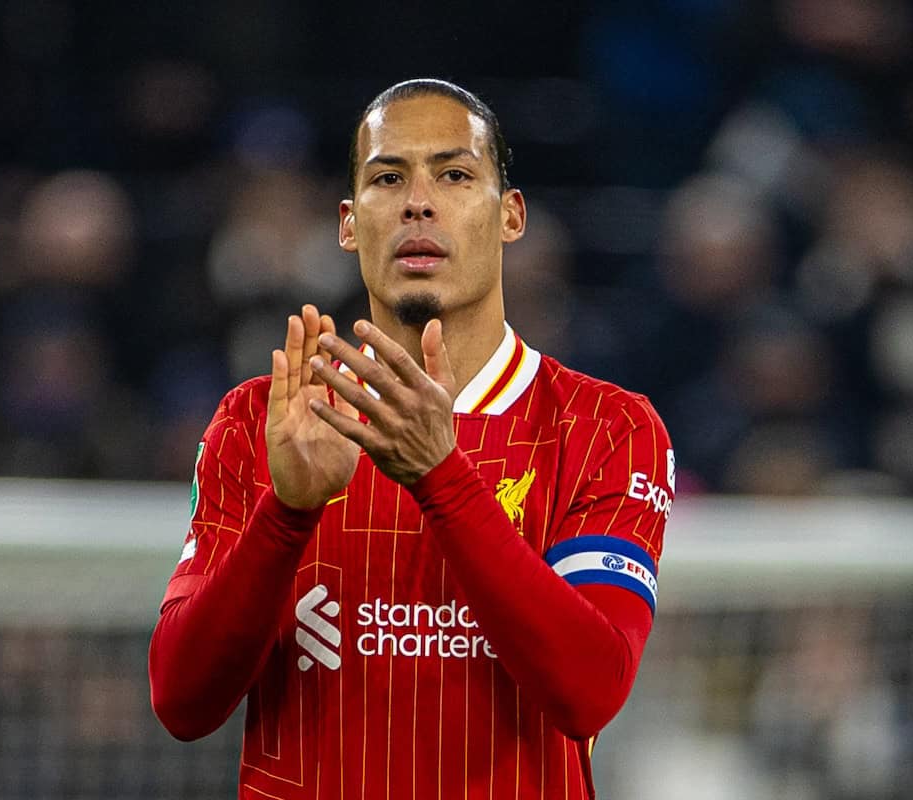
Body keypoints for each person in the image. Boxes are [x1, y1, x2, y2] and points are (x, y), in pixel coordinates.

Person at [148, 78, 674, 799]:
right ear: (348, 223)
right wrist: (287, 515)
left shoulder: (606, 428)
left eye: (455, 175)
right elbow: (182, 703)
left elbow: (589, 690)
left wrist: (441, 478)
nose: (417, 201)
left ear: (510, 215)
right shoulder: (264, 421)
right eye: (387, 177)